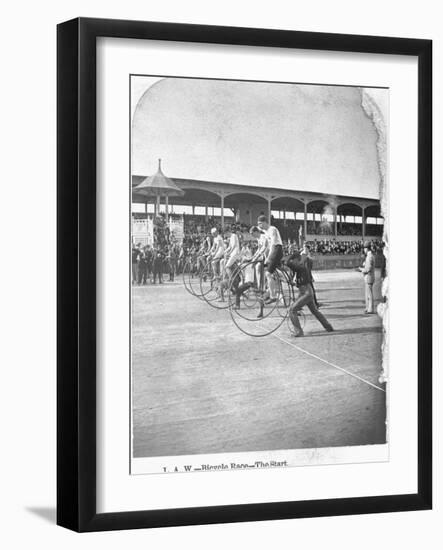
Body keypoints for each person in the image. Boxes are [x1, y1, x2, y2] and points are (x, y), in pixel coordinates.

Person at [286, 251, 334, 337]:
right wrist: (293, 283)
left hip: (306, 294)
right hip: (307, 293)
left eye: (294, 260)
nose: (292, 262)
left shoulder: (300, 267)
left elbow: (287, 263)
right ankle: (328, 327)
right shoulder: (301, 268)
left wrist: (290, 257)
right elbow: (301, 283)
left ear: (297, 259)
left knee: (292, 310)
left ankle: (298, 332)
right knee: (315, 311)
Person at [256, 215, 283, 304]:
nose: (259, 226)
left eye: (260, 224)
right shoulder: (266, 232)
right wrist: (260, 255)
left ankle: (273, 296)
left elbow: (273, 244)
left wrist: (268, 257)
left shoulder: (272, 229)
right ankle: (269, 289)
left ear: (264, 222)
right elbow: (266, 246)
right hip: (273, 250)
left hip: (277, 249)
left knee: (268, 273)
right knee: (265, 270)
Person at [359, 241, 375, 314]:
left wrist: (361, 270)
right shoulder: (370, 256)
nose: (364, 250)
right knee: (368, 293)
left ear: (366, 249)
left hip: (369, 276)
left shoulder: (369, 257)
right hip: (369, 277)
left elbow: (368, 269)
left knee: (369, 294)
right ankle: (368, 307)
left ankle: (370, 309)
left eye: (364, 248)